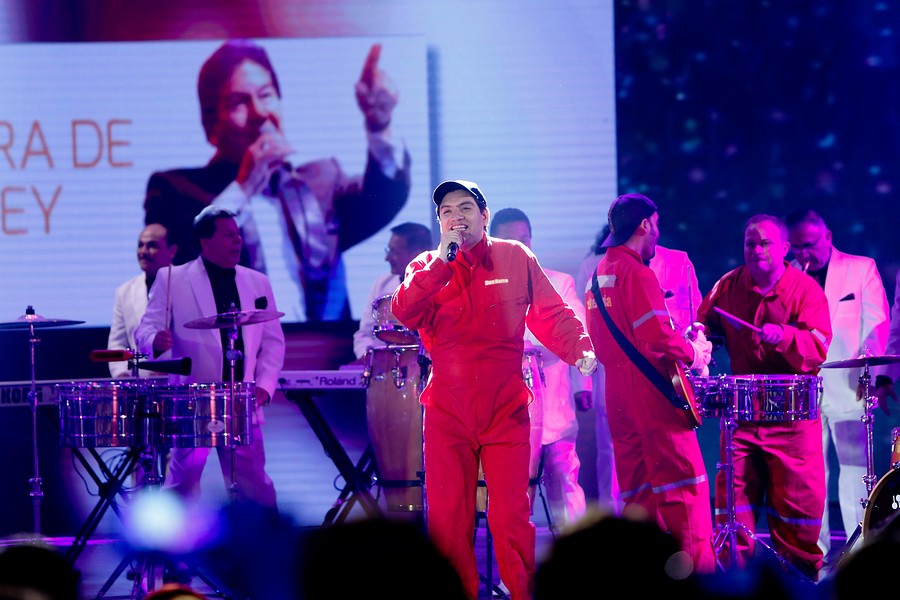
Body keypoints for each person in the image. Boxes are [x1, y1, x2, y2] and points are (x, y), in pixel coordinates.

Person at [391, 180, 597, 600]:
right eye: (447, 211)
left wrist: (580, 348)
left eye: (465, 208)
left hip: (505, 406)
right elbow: (403, 310)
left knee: (511, 517)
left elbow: (551, 312)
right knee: (448, 519)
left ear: (484, 216)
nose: (456, 217)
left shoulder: (514, 256)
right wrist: (440, 265)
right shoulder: (426, 265)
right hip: (448, 410)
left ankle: (521, 593)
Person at [143, 39, 411, 322]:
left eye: (266, 95)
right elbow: (180, 264)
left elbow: (384, 199)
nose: (260, 113)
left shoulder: (319, 182)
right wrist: (244, 187)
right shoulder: (175, 189)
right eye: (238, 102)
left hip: (323, 343)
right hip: (232, 344)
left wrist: (379, 125)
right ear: (211, 125)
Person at [693, 213, 832, 581]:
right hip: (742, 421)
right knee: (732, 510)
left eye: (765, 243)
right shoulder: (727, 286)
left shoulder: (806, 290)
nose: (756, 250)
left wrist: (785, 335)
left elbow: (819, 347)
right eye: (750, 244)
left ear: (784, 249)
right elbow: (704, 326)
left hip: (792, 423)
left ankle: (799, 584)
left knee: (797, 514)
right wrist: (698, 339)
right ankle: (734, 583)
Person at [583, 193, 716, 575]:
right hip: (652, 393)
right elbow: (657, 335)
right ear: (645, 225)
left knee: (638, 496)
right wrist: (695, 354)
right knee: (684, 490)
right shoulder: (637, 272)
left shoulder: (597, 276)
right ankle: (700, 579)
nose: (658, 233)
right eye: (656, 225)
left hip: (617, 395)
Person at [134, 206, 286, 509]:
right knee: (182, 483)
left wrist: (265, 385)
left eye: (238, 234)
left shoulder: (257, 281)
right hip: (194, 399)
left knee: (254, 482)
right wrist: (155, 340)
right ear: (205, 242)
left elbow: (273, 342)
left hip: (242, 398)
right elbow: (144, 330)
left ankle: (265, 537)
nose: (238, 240)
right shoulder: (173, 278)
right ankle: (173, 538)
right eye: (229, 235)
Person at [785, 208, 890, 559]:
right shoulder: (788, 276)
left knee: (855, 469)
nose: (804, 253)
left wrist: (871, 374)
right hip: (805, 389)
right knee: (810, 474)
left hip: (849, 384)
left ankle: (858, 550)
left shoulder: (860, 268)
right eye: (797, 246)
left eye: (810, 244)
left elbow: (877, 324)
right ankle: (814, 551)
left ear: (827, 237)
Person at [576, 224, 703, 515]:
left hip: (663, 376)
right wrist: (583, 383)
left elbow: (693, 315)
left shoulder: (677, 261)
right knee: (622, 458)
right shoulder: (597, 267)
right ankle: (617, 523)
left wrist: (694, 350)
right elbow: (585, 326)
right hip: (632, 377)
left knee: (658, 462)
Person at [489, 207, 591, 529]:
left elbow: (574, 334)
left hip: (553, 416)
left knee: (565, 489)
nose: (521, 247)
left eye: (525, 239)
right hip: (502, 416)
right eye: (511, 241)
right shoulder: (483, 287)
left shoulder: (559, 283)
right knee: (509, 501)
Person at [351, 222, 433, 361]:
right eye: (388, 250)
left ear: (417, 255)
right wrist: (370, 358)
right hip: (383, 367)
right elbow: (364, 334)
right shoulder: (381, 284)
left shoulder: (442, 287)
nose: (387, 258)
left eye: (394, 252)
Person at [108, 223, 178, 379]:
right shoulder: (124, 292)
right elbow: (117, 344)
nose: (143, 252)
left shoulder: (186, 285)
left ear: (172, 251)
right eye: (140, 245)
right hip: (140, 385)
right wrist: (122, 376)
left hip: (179, 384)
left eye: (152, 246)